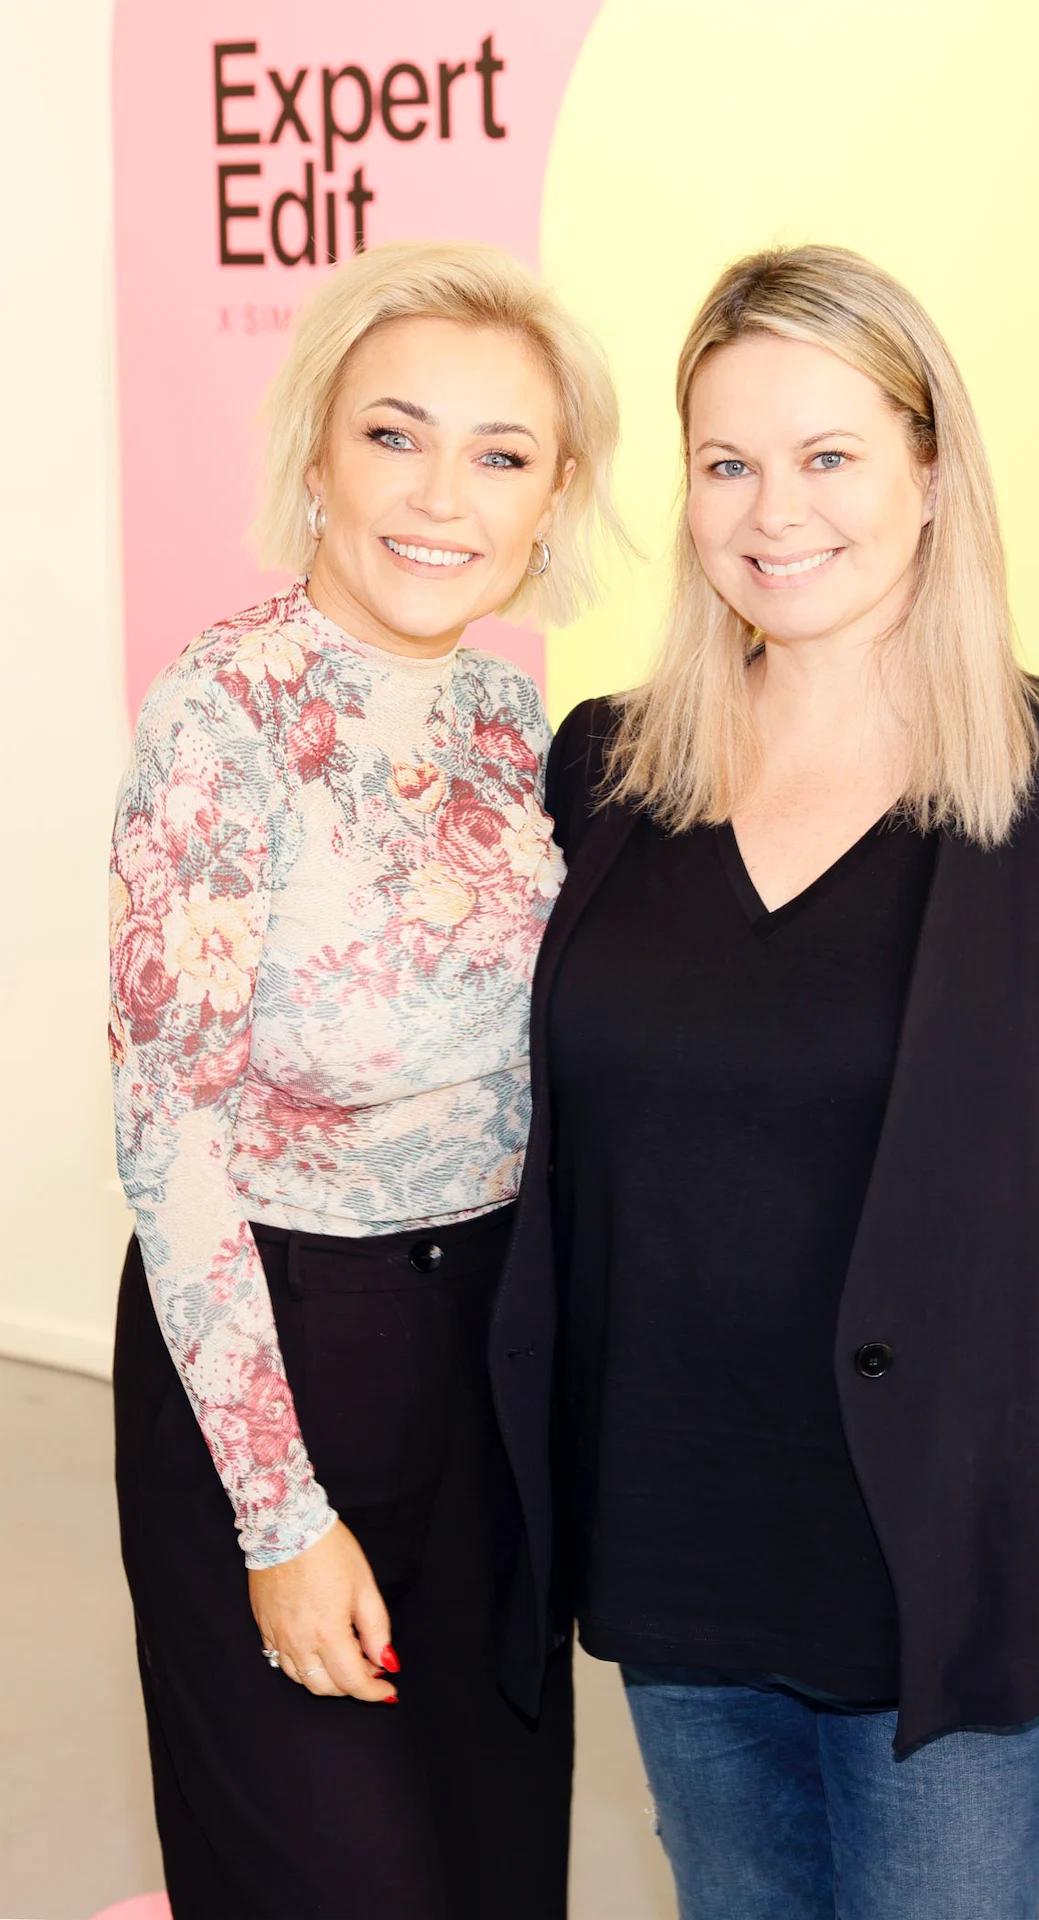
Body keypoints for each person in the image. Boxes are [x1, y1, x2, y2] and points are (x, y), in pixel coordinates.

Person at [493, 245, 1039, 1920]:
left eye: (829, 454)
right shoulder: (606, 770)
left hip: (955, 1548)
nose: (776, 511)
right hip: (677, 1527)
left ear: (930, 470)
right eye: (727, 463)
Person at [109, 240, 622, 1920]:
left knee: (493, 1866)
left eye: (502, 454)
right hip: (276, 1349)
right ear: (319, 456)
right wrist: (277, 1515)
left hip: (490, 1364)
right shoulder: (221, 719)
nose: (442, 496)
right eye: (396, 435)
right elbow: (169, 1138)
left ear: (554, 499)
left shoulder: (514, 725)